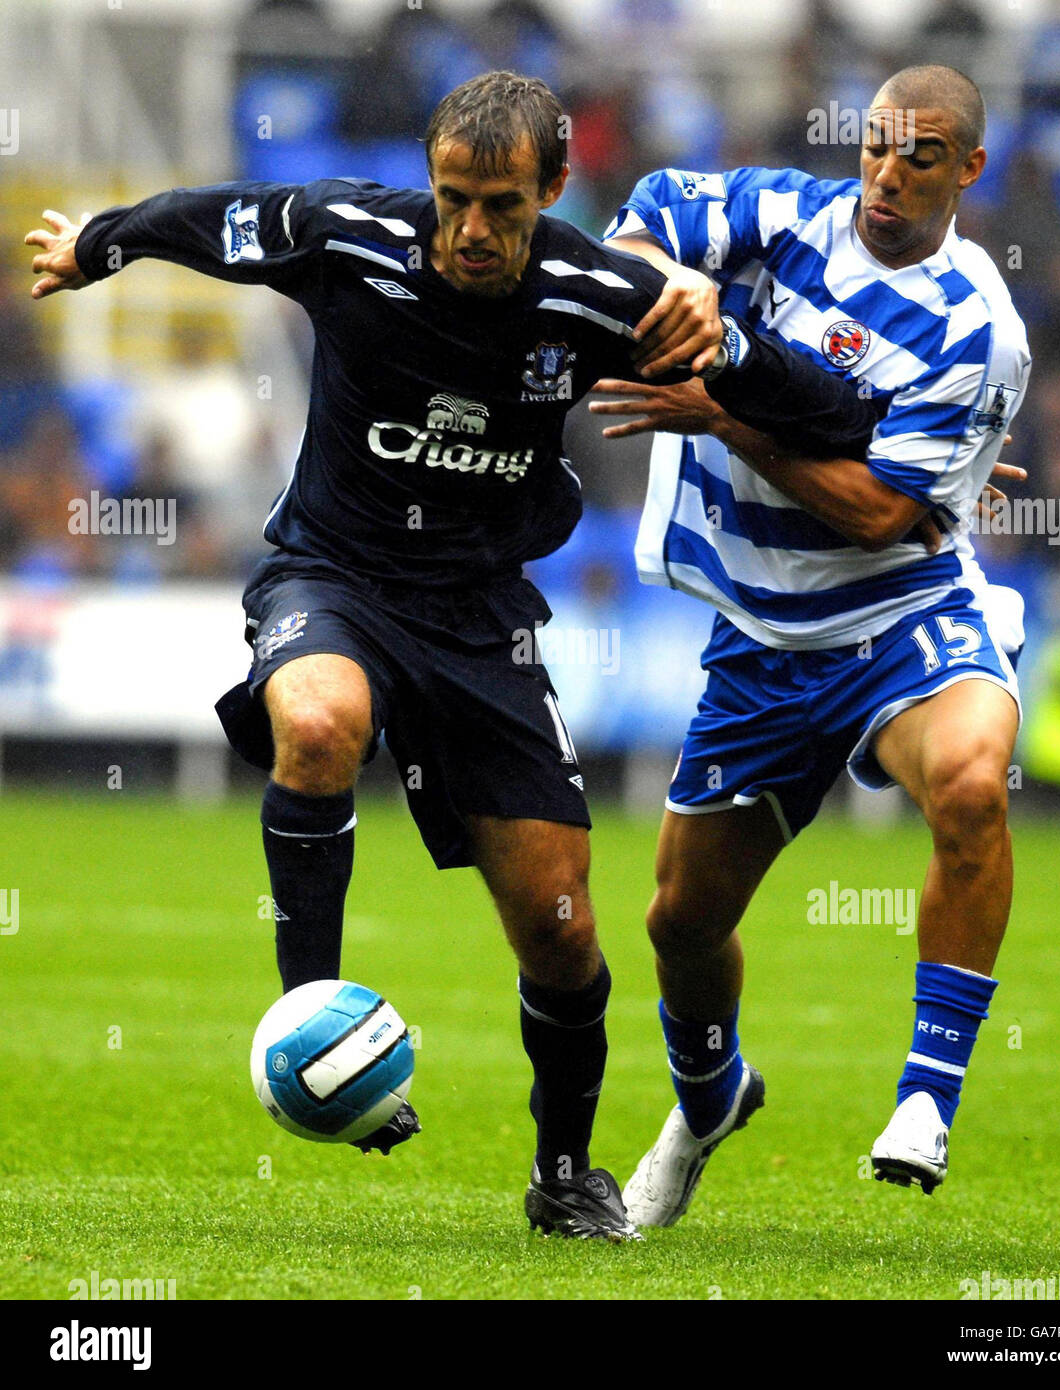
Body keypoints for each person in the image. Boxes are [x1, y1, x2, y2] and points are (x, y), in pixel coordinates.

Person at [25, 70, 876, 1241]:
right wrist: (101, 248)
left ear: (554, 190)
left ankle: (565, 1172)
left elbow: (837, 413)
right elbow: (205, 218)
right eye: (453, 198)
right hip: (334, 575)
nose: (471, 230)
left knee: (565, 928)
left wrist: (727, 341)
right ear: (428, 180)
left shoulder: (605, 294)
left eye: (502, 208)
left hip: (482, 619)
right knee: (317, 723)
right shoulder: (348, 233)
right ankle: (306, 1027)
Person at [594, 64, 1032, 1223]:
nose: (888, 172)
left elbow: (882, 513)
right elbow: (639, 223)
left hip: (901, 612)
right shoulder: (779, 213)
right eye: (878, 144)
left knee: (972, 783)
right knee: (680, 924)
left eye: (921, 155)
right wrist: (661, 293)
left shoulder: (978, 328)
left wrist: (719, 411)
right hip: (762, 631)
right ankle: (705, 1097)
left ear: (968, 170)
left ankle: (926, 1096)